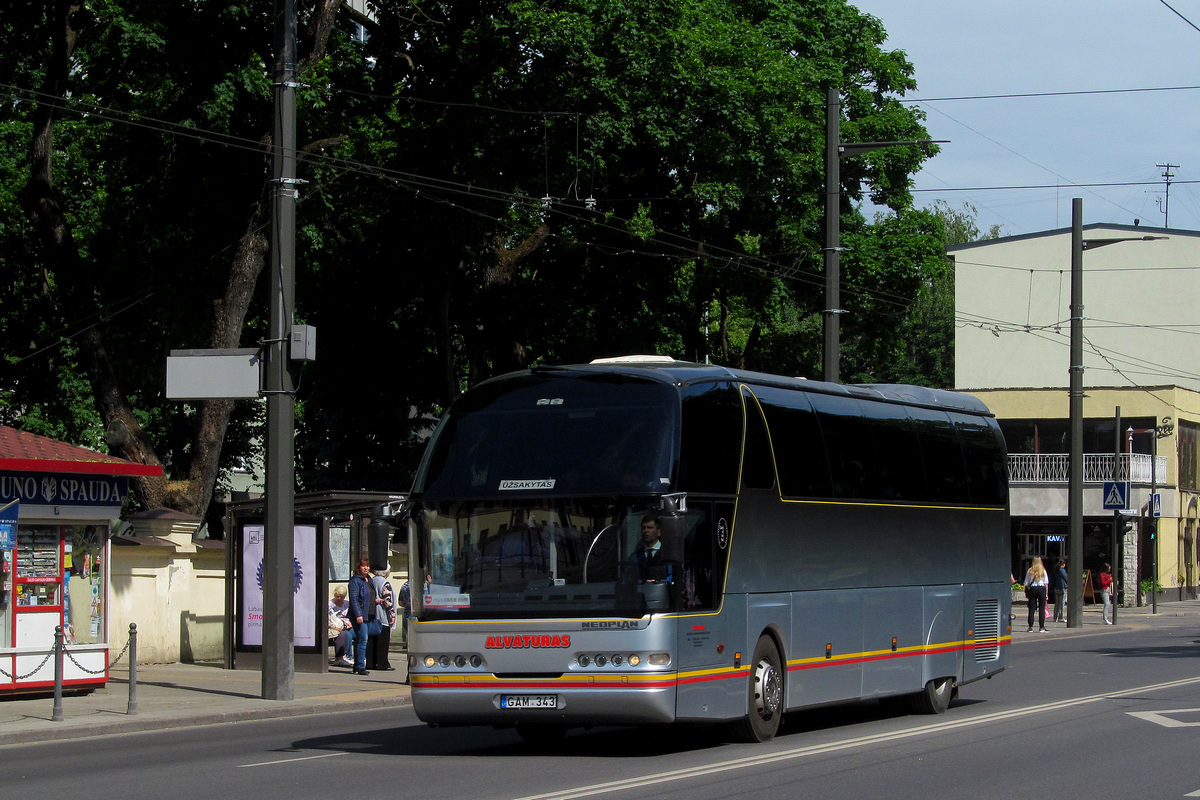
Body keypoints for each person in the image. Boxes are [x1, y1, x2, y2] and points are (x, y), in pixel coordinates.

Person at [366, 568, 397, 671]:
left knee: (372, 640)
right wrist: (392, 614)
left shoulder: (372, 580)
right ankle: (382, 663)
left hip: (373, 613)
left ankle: (370, 662)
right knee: (383, 640)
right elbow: (387, 599)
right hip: (383, 614)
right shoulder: (385, 583)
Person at [347, 558, 374, 675]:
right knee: (363, 639)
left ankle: (357, 665)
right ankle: (360, 666)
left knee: (360, 639)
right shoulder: (355, 581)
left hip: (369, 613)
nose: (366, 568)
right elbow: (354, 599)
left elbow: (369, 596)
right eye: (363, 566)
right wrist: (358, 615)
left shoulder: (369, 580)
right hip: (360, 615)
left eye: (367, 566)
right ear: (358, 567)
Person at [628, 513, 672, 583]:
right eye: (643, 528)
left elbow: (675, 577)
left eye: (650, 528)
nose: (646, 531)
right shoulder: (635, 557)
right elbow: (627, 578)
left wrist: (658, 581)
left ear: (659, 532)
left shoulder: (669, 555)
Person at [328, 585, 355, 667]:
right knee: (347, 635)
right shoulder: (330, 604)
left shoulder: (347, 604)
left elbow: (351, 615)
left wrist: (350, 623)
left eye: (342, 597)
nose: (339, 599)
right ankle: (348, 656)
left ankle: (360, 657)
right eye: (337, 596)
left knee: (358, 633)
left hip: (347, 625)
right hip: (335, 626)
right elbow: (328, 619)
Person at [1024, 557, 1050, 632]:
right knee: (1042, 608)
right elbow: (1046, 583)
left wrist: (1026, 592)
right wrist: (1046, 594)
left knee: (1031, 608)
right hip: (1041, 589)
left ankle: (1030, 626)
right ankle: (1041, 627)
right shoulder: (1043, 570)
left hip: (1033, 589)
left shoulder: (1030, 570)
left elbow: (1026, 583)